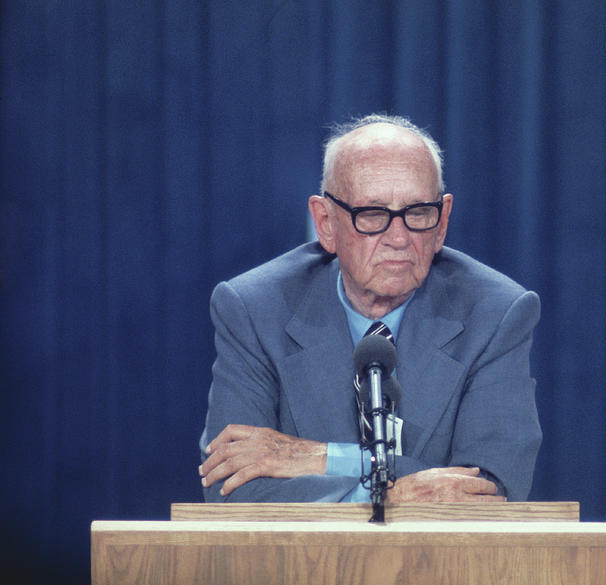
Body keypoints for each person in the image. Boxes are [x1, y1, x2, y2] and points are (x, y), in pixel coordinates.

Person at [198, 114, 542, 503]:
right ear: (326, 223)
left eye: (418, 213)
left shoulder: (495, 312)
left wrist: (323, 459)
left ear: (442, 221)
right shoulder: (254, 310)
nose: (399, 237)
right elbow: (231, 492)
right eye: (373, 215)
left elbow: (493, 491)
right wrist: (387, 497)